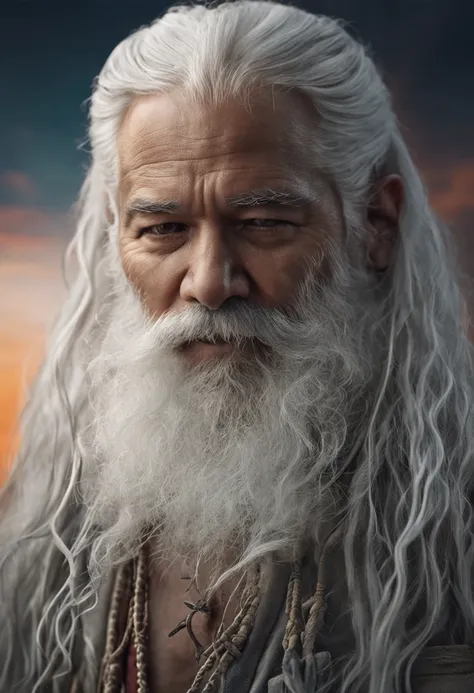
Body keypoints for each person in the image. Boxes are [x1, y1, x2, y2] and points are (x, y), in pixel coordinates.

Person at [2, 1, 474, 691]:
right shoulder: (52, 525)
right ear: (115, 236)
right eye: (163, 229)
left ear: (375, 223)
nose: (209, 282)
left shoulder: (453, 534)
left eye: (263, 221)